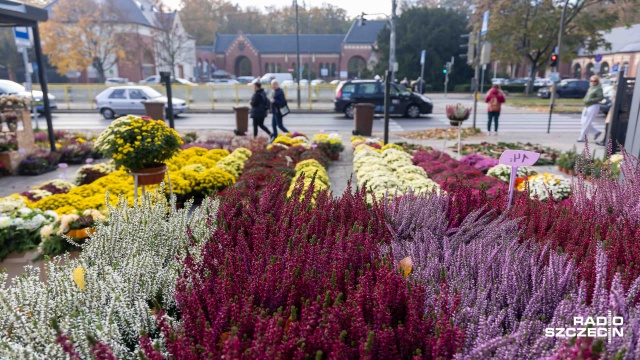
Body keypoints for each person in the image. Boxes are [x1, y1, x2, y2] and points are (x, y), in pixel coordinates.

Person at [578, 75, 604, 142]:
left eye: (594, 81)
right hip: (587, 106)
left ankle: (582, 137)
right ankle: (595, 132)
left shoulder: (598, 89)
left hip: (593, 106)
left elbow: (600, 98)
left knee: (587, 122)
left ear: (597, 82)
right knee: (583, 122)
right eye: (591, 81)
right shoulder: (591, 88)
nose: (593, 82)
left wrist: (591, 100)